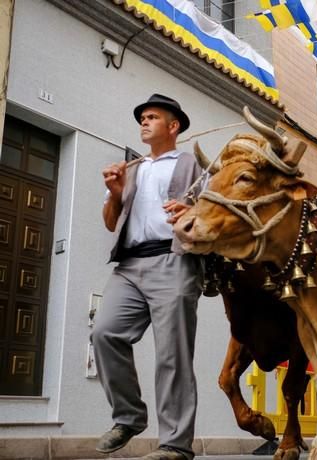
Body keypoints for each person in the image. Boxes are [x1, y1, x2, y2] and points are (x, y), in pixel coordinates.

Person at [92, 94, 203, 460]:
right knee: (105, 332)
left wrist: (191, 209)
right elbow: (112, 223)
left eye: (152, 117)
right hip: (129, 266)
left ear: (173, 127)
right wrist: (114, 193)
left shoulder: (193, 165)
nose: (144, 121)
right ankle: (129, 417)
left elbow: (214, 216)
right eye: (142, 117)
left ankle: (175, 444)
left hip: (172, 261)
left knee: (172, 353)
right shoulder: (133, 168)